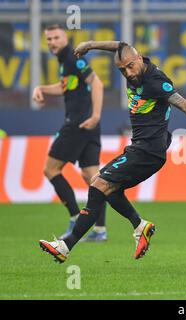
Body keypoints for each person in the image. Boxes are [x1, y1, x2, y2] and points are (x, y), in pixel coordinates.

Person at [38, 41, 186, 263]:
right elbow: (120, 45)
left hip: (148, 151)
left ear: (140, 58)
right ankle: (140, 226)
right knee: (107, 188)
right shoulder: (129, 60)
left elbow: (183, 103)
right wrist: (90, 45)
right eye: (122, 69)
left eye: (130, 67)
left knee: (97, 186)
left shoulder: (156, 81)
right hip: (140, 147)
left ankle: (65, 246)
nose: (128, 72)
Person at [32, 24, 107, 241]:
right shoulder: (66, 61)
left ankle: (76, 218)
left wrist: (95, 116)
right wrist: (42, 88)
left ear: (65, 38)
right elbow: (66, 86)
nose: (52, 42)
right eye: (48, 39)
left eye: (56, 37)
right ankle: (99, 231)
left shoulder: (74, 58)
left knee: (51, 170)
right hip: (88, 126)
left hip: (77, 124)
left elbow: (98, 84)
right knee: (93, 179)